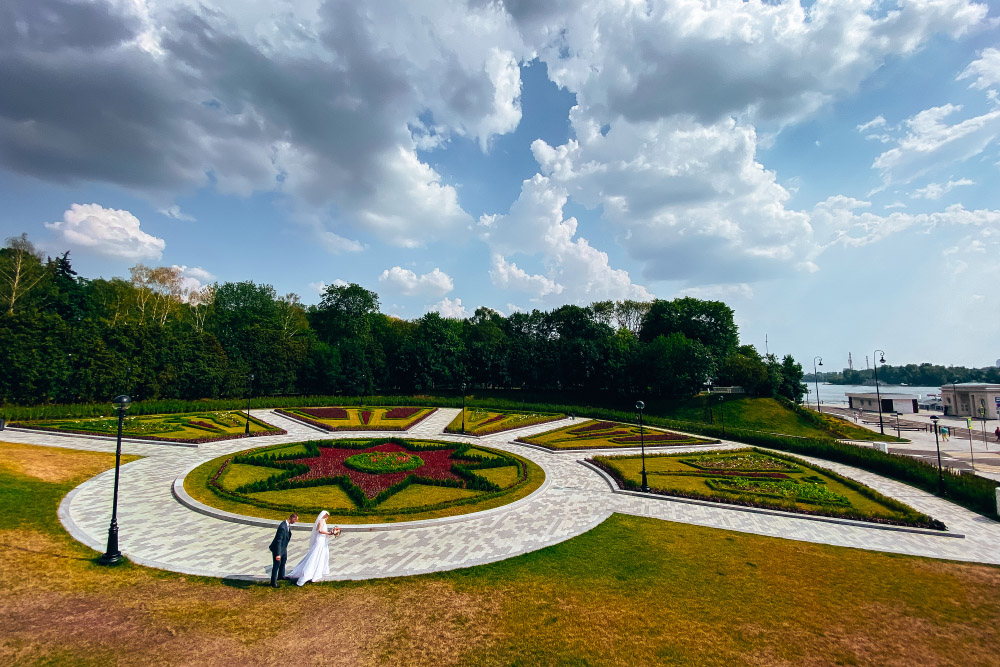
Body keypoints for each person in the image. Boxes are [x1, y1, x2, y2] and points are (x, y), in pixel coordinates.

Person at [286, 510, 341, 586]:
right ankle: (308, 574)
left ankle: (318, 571)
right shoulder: (321, 521)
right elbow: (320, 530)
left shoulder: (323, 521)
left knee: (322, 555)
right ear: (324, 515)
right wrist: (329, 533)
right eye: (327, 515)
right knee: (316, 555)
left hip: (322, 540)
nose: (328, 517)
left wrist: (331, 533)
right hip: (320, 540)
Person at [268, 513, 298, 588]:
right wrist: (278, 554)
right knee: (276, 565)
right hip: (278, 548)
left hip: (283, 548)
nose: (295, 522)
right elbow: (278, 541)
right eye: (295, 520)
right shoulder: (282, 527)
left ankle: (281, 575)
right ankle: (273, 582)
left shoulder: (287, 525)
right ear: (293, 519)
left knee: (283, 561)